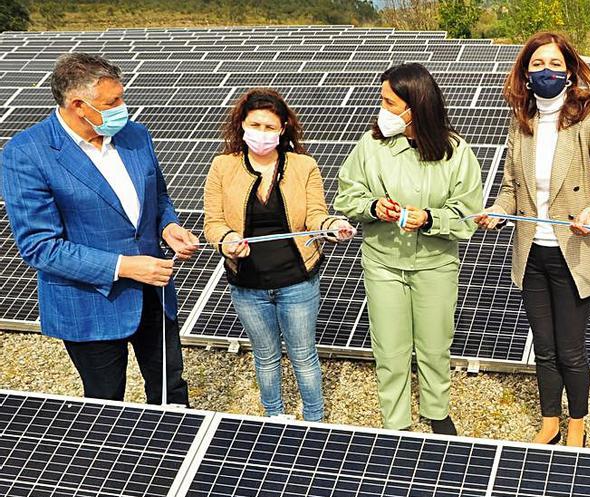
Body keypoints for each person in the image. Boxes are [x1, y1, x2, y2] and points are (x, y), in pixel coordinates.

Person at [0, 53, 198, 405]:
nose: (123, 107)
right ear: (78, 105)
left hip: (154, 293)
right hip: (89, 301)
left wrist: (168, 226)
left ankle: (173, 454)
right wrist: (123, 266)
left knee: (171, 389)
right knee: (105, 403)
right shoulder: (27, 154)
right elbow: (40, 246)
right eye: (114, 101)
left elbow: (159, 196)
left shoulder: (135, 135)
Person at [474, 32, 590, 448]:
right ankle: (550, 419)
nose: (547, 72)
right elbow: (510, 188)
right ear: (524, 73)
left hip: (575, 252)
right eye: (537, 65)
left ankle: (578, 421)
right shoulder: (521, 124)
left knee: (570, 349)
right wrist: (499, 212)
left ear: (571, 71)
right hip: (532, 252)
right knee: (543, 347)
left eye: (556, 64)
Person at [333, 63, 484, 434]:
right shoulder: (371, 146)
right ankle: (395, 421)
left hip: (435, 263)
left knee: (435, 345)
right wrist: (372, 207)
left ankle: (436, 411)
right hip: (383, 262)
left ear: (414, 107)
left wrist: (430, 219)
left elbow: (468, 211)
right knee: (390, 348)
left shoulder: (456, 151)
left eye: (389, 102)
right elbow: (347, 193)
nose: (381, 109)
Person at [203, 89, 356, 422]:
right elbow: (212, 222)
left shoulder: (303, 166)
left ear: (283, 128)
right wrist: (227, 240)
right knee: (266, 357)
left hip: (297, 280)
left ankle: (315, 421)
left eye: (269, 126)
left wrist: (332, 226)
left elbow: (316, 213)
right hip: (247, 283)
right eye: (254, 124)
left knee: (303, 356)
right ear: (241, 124)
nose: (261, 133)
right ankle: (274, 418)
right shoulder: (222, 167)